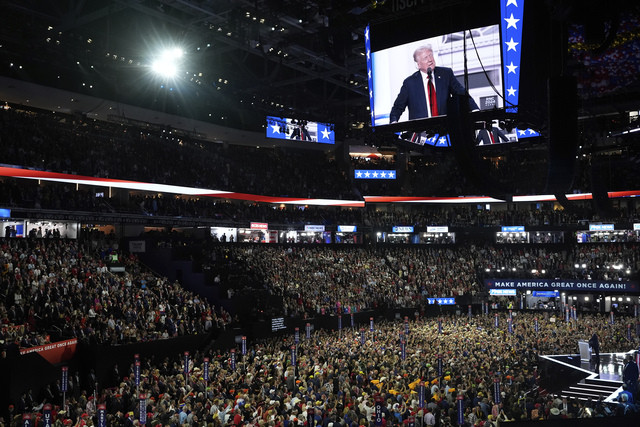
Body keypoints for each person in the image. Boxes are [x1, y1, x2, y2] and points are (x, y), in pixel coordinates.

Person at [389, 45, 479, 123]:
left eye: (430, 55)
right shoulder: (409, 83)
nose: (430, 60)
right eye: (425, 58)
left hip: (444, 130)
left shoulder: (446, 74)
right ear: (418, 64)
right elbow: (398, 107)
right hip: (421, 133)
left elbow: (462, 93)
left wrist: (475, 111)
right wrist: (393, 122)